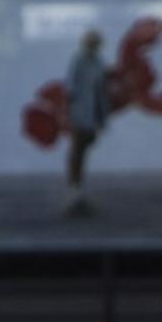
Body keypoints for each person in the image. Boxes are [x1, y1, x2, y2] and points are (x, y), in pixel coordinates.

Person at [65, 29, 110, 216]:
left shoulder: (99, 62)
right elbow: (70, 89)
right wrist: (70, 114)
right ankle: (75, 192)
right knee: (77, 152)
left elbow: (101, 90)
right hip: (80, 114)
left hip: (93, 115)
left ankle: (79, 191)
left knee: (84, 150)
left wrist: (102, 116)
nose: (93, 46)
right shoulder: (78, 61)